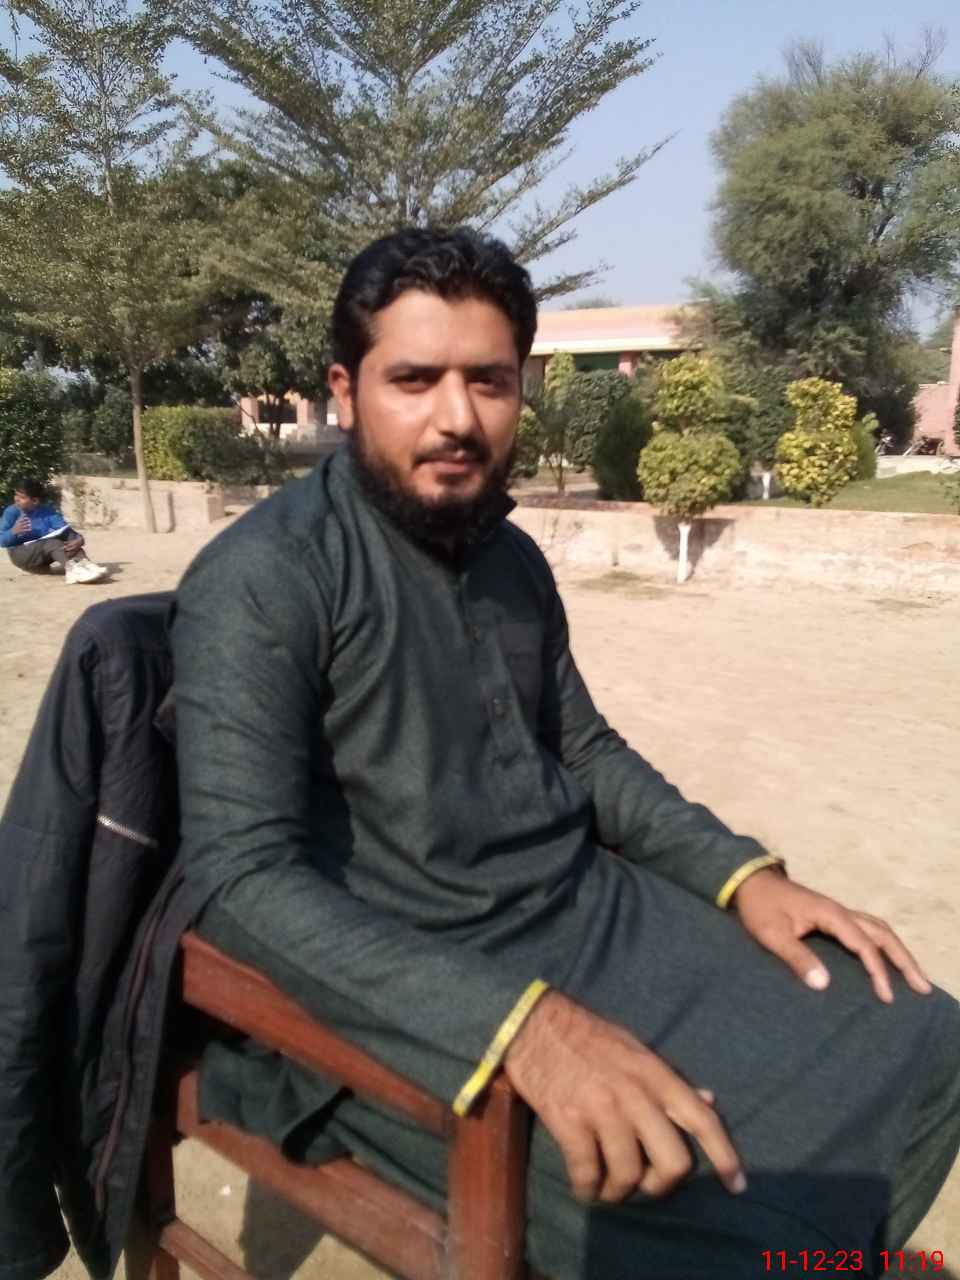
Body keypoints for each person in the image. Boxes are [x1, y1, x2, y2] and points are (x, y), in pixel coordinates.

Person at [172, 227, 960, 1280]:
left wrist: (744, 877)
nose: (457, 417)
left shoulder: (508, 556)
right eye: (414, 379)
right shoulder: (267, 577)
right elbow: (239, 880)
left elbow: (581, 750)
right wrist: (525, 1031)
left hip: (592, 915)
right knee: (741, 1224)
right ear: (346, 392)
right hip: (413, 990)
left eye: (488, 380)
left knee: (923, 1035)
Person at [0, 477, 108, 583]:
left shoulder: (47, 511)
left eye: (22, 497)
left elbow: (65, 530)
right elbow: (2, 541)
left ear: (35, 501)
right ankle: (72, 570)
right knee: (52, 543)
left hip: (41, 555)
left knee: (69, 536)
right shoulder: (11, 512)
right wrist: (13, 531)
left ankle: (86, 564)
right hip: (21, 555)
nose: (16, 499)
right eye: (16, 495)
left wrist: (79, 540)